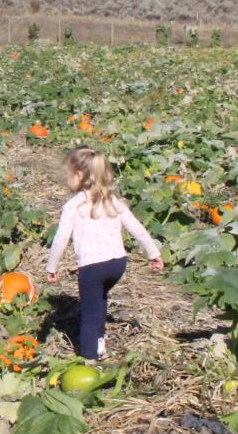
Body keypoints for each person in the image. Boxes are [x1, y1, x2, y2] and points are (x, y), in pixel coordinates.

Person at [45, 146, 164, 361]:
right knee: (99, 299)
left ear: (79, 176)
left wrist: (52, 267)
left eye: (68, 176)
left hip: (92, 267)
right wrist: (153, 253)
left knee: (89, 313)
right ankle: (100, 341)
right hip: (117, 264)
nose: (66, 181)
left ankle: (89, 359)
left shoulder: (73, 206)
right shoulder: (113, 200)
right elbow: (137, 228)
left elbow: (60, 239)